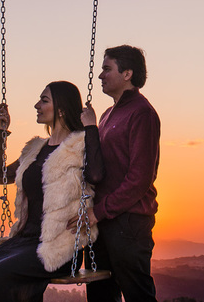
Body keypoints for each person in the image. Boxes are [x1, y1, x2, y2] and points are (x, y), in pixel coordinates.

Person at [0, 81, 105, 302]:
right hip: (24, 241)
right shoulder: (34, 149)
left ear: (61, 109)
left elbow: (96, 175)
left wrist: (91, 127)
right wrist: (1, 132)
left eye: (44, 101)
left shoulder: (80, 146)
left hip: (58, 247)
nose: (37, 105)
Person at [85, 45, 161, 302]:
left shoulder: (142, 113)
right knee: (100, 296)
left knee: (138, 295)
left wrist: (98, 211)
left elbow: (140, 179)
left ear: (127, 74)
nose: (100, 75)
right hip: (101, 222)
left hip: (128, 222)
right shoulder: (107, 115)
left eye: (107, 69)